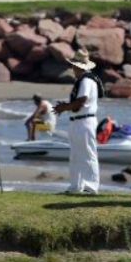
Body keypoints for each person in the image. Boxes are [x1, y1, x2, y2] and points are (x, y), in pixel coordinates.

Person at [53, 50, 104, 195]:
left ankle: (91, 187)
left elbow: (81, 100)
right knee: (76, 154)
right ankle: (76, 186)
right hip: (78, 120)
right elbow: (79, 102)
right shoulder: (84, 79)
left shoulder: (86, 80)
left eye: (73, 66)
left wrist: (64, 107)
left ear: (78, 66)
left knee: (88, 154)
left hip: (85, 120)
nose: (72, 69)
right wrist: (66, 107)